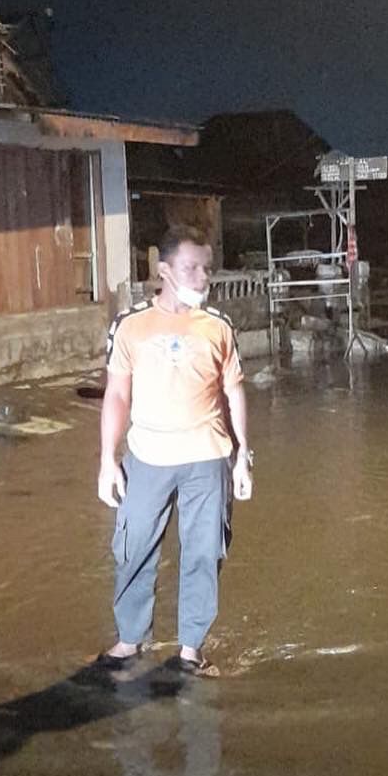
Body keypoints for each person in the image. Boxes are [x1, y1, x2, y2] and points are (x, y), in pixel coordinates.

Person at [97, 226, 253, 675]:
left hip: (207, 457)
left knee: (205, 551)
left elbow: (234, 392)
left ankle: (190, 649)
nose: (202, 276)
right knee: (133, 548)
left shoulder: (218, 327)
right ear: (163, 270)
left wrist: (242, 456)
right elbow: (117, 396)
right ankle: (130, 640)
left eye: (207, 267)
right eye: (191, 267)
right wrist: (109, 458)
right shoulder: (130, 326)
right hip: (146, 458)